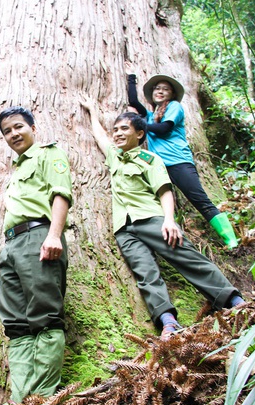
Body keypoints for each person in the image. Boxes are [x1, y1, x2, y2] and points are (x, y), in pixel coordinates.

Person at [80, 100, 245, 339]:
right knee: (145, 273)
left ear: (139, 133)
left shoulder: (150, 159)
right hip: (124, 229)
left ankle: (234, 300)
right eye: (115, 130)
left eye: (124, 129)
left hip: (151, 218)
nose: (117, 134)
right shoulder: (114, 157)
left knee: (187, 257)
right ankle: (168, 321)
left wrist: (169, 220)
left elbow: (164, 190)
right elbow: (99, 135)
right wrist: (92, 112)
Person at [0, 106, 73, 403]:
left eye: (18, 127)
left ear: (32, 127)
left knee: (45, 317)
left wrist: (53, 235)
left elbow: (60, 194)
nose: (14, 134)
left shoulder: (48, 154)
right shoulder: (16, 170)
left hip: (38, 236)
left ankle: (41, 402)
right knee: (16, 324)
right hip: (11, 244)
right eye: (7, 131)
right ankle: (20, 403)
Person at [127, 74, 239, 249]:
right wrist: (131, 78)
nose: (160, 91)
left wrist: (140, 126)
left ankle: (231, 240)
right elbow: (133, 101)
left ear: (171, 94)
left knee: (199, 199)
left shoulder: (175, 107)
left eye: (165, 89)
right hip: (158, 166)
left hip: (178, 161)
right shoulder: (150, 115)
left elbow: (164, 128)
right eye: (157, 88)